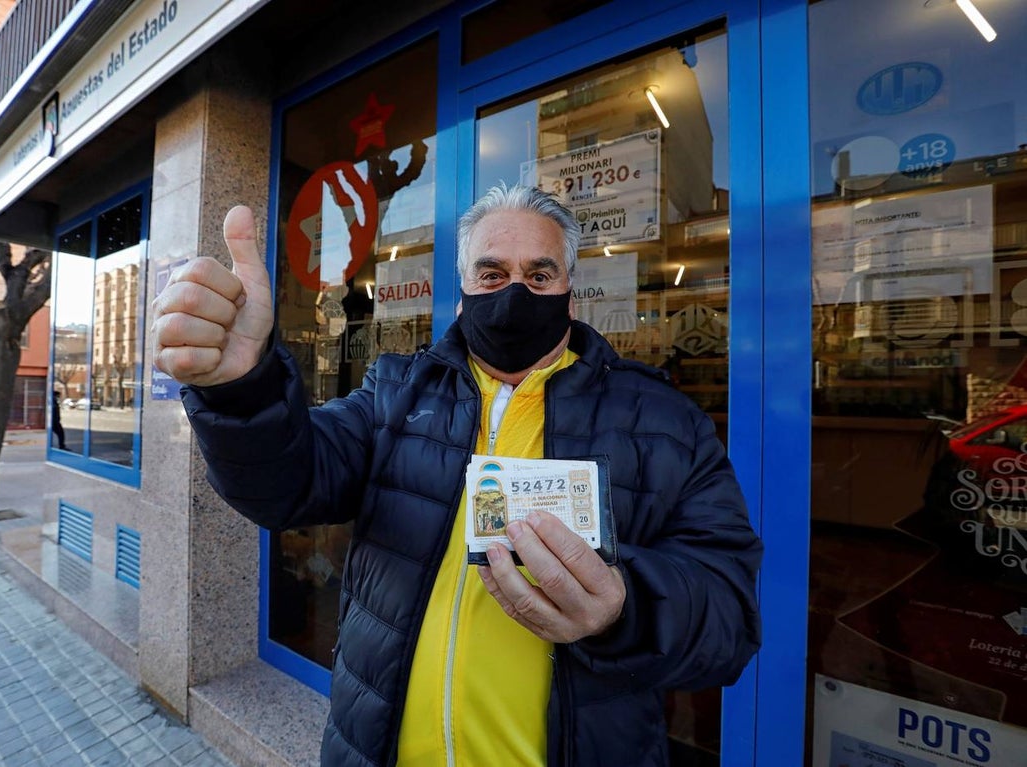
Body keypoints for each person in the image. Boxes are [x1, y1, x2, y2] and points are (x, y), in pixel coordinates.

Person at [152, 185, 762, 767]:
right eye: (493, 274)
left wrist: (627, 610)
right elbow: (289, 484)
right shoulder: (394, 393)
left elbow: (728, 615)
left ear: (570, 294)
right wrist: (242, 390)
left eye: (540, 275)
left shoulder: (663, 421)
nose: (515, 293)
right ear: (464, 289)